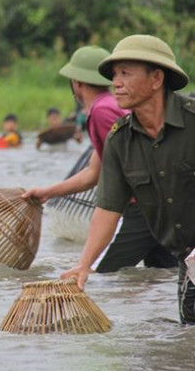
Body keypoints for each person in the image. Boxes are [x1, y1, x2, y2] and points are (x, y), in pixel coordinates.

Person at [59, 35, 193, 323]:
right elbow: (108, 208)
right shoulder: (120, 140)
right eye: (115, 74)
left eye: (125, 73)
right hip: (188, 259)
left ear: (156, 79)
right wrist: (84, 266)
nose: (116, 82)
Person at [24, 45, 176, 272]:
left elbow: (133, 166)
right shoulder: (110, 105)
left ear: (76, 83)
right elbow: (93, 173)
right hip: (164, 206)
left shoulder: (101, 111)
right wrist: (47, 192)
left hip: (145, 209)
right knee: (162, 274)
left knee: (105, 278)